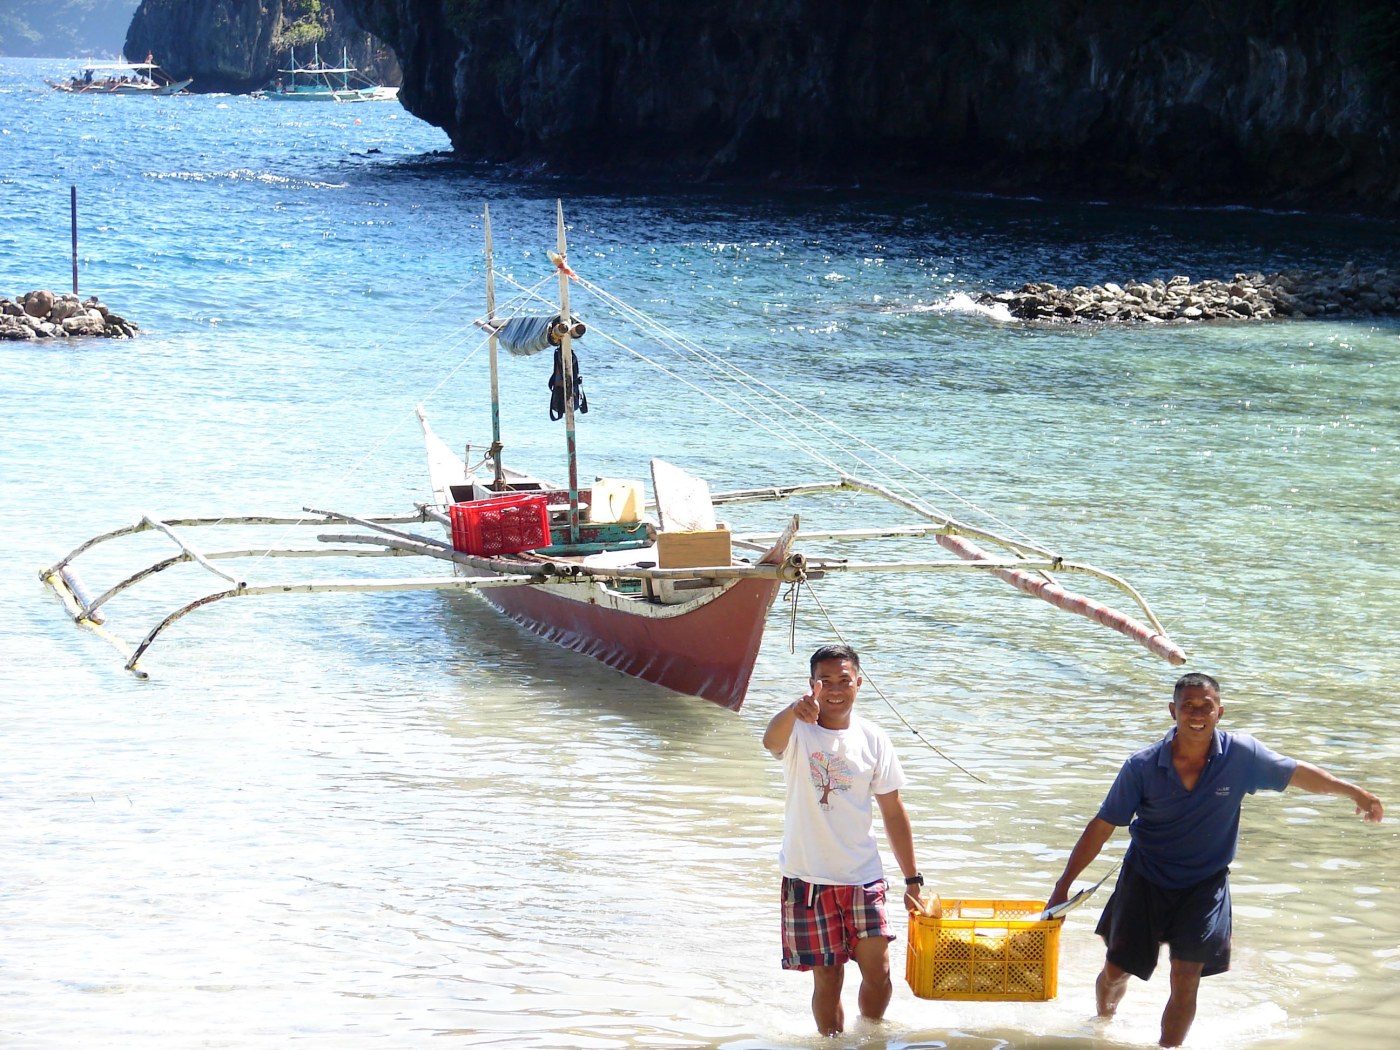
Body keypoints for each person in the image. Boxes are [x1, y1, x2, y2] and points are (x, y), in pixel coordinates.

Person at [1046, 671, 1383, 1048]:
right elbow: (1103, 825)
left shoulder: (1242, 755)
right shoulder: (1141, 766)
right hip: (1145, 879)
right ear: (1172, 710)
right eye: (1187, 706)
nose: (1196, 714)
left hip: (1205, 885)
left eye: (1205, 707)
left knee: (1186, 976)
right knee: (1116, 971)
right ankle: (1101, 1027)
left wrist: (1353, 792)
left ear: (1219, 712)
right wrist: (1063, 886)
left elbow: (1297, 773)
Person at [762, 643, 923, 1036]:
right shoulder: (798, 729)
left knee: (879, 972)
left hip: (863, 877)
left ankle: (871, 1035)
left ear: (859, 684)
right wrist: (793, 709)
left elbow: (893, 811)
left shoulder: (873, 738)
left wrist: (913, 879)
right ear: (812, 684)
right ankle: (832, 1044)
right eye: (826, 681)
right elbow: (770, 742)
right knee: (828, 978)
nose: (835, 689)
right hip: (807, 879)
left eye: (844, 680)